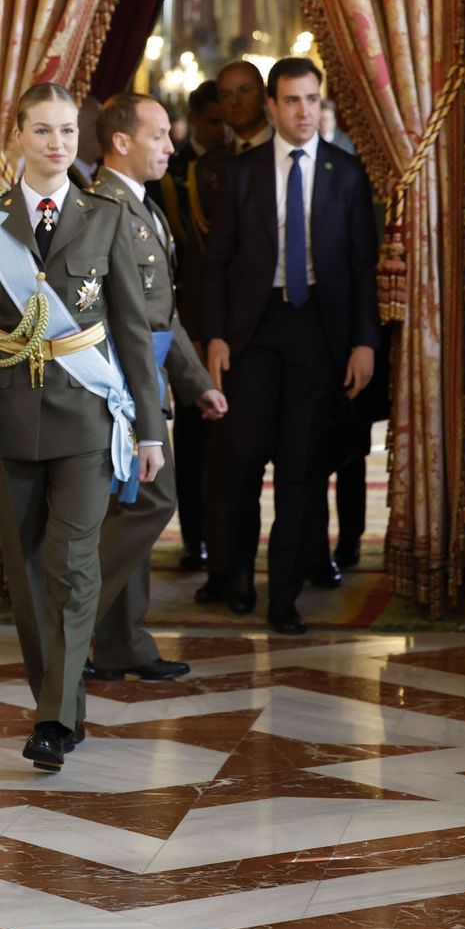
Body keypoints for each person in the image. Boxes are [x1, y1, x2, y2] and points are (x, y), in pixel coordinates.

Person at [0, 83, 163, 769]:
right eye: (43, 131)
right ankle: (64, 706)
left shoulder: (104, 217)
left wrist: (152, 430)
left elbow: (133, 332)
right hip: (9, 424)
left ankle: (50, 718)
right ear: (16, 135)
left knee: (72, 569)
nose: (57, 144)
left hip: (85, 422)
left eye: (69, 132)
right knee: (27, 580)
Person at [204, 57, 380, 635]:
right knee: (245, 457)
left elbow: (361, 268)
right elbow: (218, 262)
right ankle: (236, 578)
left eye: (312, 100)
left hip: (318, 334)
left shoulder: (346, 173)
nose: (304, 111)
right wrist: (217, 335)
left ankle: (285, 598)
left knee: (302, 468)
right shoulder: (244, 172)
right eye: (292, 101)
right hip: (254, 333)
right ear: (273, 107)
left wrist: (363, 343)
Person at [85, 93, 227, 678]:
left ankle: (123, 646)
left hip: (148, 379)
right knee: (150, 500)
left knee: (132, 506)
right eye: (159, 135)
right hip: (118, 386)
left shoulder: (142, 205)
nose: (171, 146)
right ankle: (69, 612)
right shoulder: (104, 207)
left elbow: (163, 313)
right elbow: (129, 323)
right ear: (122, 142)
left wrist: (194, 384)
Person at [192, 60, 273, 606]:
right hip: (226, 333)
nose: (236, 104)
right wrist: (206, 331)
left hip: (284, 325)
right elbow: (205, 262)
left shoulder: (286, 159)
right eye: (227, 96)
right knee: (225, 457)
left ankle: (307, 560)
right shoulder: (209, 170)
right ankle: (227, 567)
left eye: (246, 92)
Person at [156, 79, 228, 571]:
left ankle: (223, 542)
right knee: (192, 443)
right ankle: (194, 537)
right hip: (185, 322)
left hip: (227, 326)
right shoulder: (170, 176)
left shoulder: (243, 169)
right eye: (215, 119)